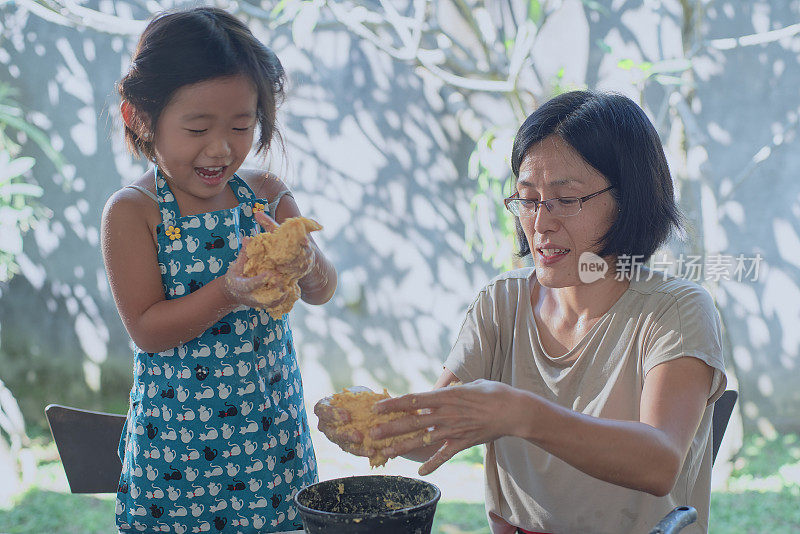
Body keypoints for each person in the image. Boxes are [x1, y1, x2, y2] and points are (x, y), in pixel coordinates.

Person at [316, 90, 726, 534]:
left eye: (566, 200)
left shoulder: (676, 309)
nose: (540, 222)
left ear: (630, 198)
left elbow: (659, 461)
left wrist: (520, 414)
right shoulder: (501, 302)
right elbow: (438, 428)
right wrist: (372, 426)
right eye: (527, 199)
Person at [101, 7, 337, 533]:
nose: (221, 148)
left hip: (272, 440)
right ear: (138, 117)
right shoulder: (135, 211)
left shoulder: (268, 195)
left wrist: (308, 262)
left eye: (240, 125)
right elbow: (147, 329)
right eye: (197, 128)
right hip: (175, 454)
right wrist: (229, 290)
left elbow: (322, 289)